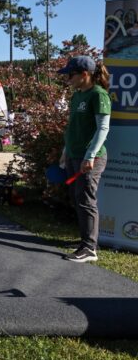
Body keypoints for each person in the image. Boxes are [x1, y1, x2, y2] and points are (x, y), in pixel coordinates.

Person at [57, 56, 111, 263]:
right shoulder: (77, 95)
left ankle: (89, 248)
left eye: (71, 75)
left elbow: (103, 129)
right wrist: (65, 151)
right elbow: (72, 128)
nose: (68, 79)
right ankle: (86, 241)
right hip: (73, 155)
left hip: (91, 158)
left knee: (86, 199)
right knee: (77, 197)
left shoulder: (98, 95)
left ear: (84, 74)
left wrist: (90, 156)